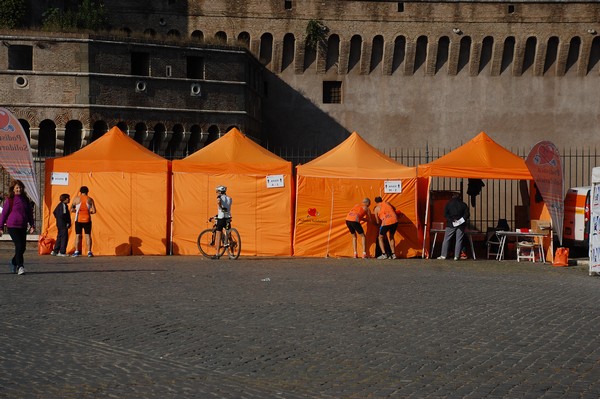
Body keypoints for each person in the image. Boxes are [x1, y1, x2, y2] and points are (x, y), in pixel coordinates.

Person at [0, 180, 35, 275]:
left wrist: (32, 224)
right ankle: (20, 266)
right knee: (19, 245)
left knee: (23, 248)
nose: (19, 189)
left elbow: (29, 213)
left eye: (20, 187)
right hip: (12, 226)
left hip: (23, 226)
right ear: (13, 189)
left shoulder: (25, 199)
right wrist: (1, 227)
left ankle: (13, 262)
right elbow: (4, 214)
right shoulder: (10, 200)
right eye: (17, 188)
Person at [438, 193, 470, 261]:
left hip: (451, 224)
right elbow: (467, 214)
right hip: (461, 224)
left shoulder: (449, 204)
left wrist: (452, 220)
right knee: (459, 240)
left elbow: (445, 214)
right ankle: (456, 256)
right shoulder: (463, 204)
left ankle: (443, 255)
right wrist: (461, 220)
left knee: (446, 239)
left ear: (452, 197)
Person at [70, 186, 96, 257]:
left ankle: (76, 251)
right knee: (88, 235)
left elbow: (71, 209)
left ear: (80, 192)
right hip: (87, 219)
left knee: (78, 235)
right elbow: (94, 211)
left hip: (78, 219)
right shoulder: (90, 199)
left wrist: (77, 211)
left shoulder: (76, 199)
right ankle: (89, 252)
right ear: (87, 191)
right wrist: (88, 212)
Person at [212, 185, 232, 260]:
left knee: (218, 235)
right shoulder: (229, 198)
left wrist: (221, 207)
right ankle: (232, 253)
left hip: (221, 218)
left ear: (220, 192)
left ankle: (217, 254)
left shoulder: (219, 197)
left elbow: (218, 202)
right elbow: (228, 208)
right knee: (229, 235)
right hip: (228, 217)